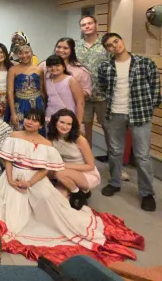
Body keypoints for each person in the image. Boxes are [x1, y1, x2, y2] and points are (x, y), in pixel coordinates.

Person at [0, 109, 142, 264]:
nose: (30, 123)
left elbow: (45, 169)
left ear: (40, 125)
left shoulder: (46, 144)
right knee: (9, 213)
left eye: (35, 120)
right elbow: (8, 159)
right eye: (27, 119)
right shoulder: (15, 135)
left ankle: (79, 195)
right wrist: (10, 179)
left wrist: (30, 183)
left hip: (39, 178)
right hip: (12, 178)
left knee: (50, 204)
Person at [98, 33, 161, 212]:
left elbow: (155, 88)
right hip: (115, 113)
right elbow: (104, 87)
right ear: (107, 50)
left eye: (116, 41)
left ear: (122, 41)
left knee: (142, 156)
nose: (114, 46)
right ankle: (115, 182)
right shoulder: (105, 66)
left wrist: (148, 108)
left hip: (140, 114)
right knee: (115, 151)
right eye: (109, 45)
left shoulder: (144, 62)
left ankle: (147, 192)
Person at [48, 109, 100, 210]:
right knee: (57, 201)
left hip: (86, 174)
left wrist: (64, 165)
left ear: (73, 126)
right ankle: (76, 191)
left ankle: (78, 194)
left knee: (59, 173)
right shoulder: (51, 138)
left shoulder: (80, 140)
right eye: (62, 122)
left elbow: (90, 166)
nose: (64, 126)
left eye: (68, 124)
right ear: (55, 122)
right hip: (66, 174)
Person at [75, 15, 112, 149]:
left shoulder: (107, 44)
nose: (87, 26)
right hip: (83, 96)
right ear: (81, 28)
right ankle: (88, 162)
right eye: (84, 25)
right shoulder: (76, 46)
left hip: (103, 96)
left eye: (90, 23)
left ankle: (113, 162)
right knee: (85, 130)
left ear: (96, 25)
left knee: (109, 129)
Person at [7, 44, 45, 133]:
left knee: (36, 129)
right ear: (17, 55)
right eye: (20, 53)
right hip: (19, 104)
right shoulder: (13, 70)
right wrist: (13, 113)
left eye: (27, 52)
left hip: (37, 104)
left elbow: (42, 90)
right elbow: (10, 92)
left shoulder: (39, 69)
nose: (24, 56)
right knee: (19, 129)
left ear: (32, 53)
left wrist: (45, 106)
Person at [44, 55, 85, 124]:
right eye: (50, 66)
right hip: (50, 117)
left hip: (68, 118)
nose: (53, 68)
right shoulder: (47, 81)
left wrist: (78, 123)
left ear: (63, 67)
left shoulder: (71, 80)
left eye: (57, 65)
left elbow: (80, 103)